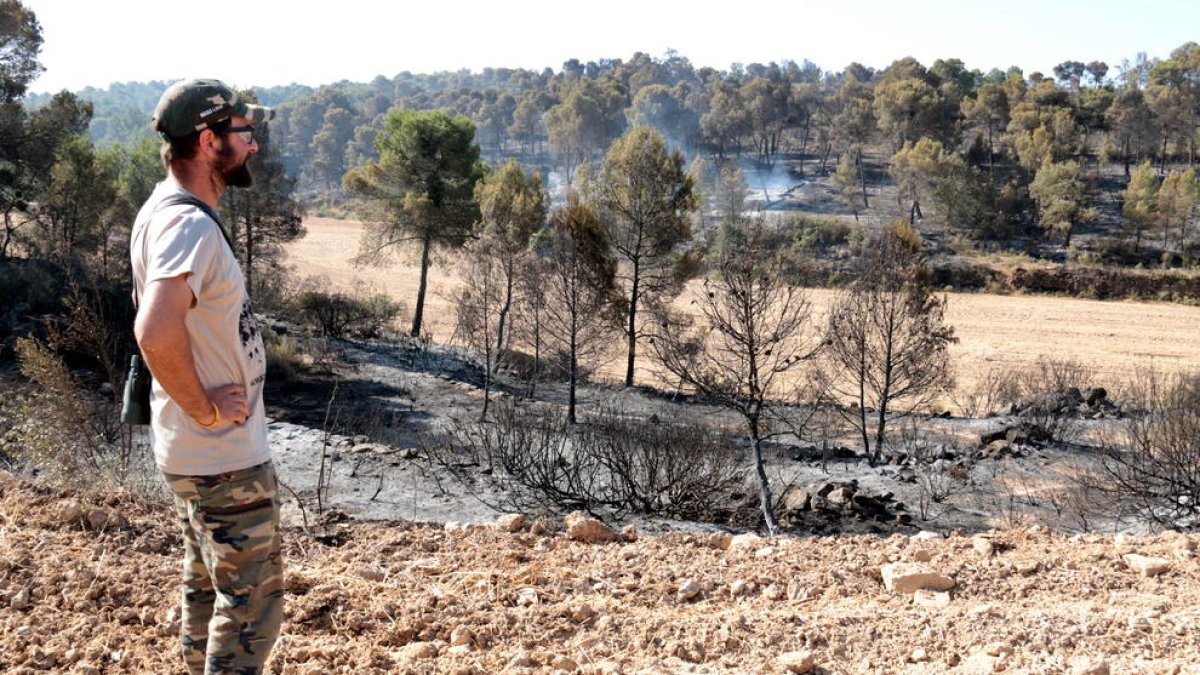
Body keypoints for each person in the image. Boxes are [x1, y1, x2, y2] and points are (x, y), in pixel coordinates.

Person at [130, 78, 283, 675]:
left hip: (196, 455)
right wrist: (207, 409)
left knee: (208, 593)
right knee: (251, 613)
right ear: (207, 139)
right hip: (221, 457)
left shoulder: (165, 211)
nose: (254, 146)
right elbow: (154, 330)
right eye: (243, 133)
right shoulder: (187, 226)